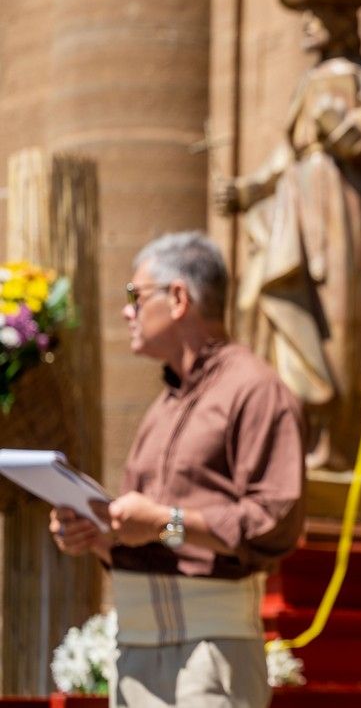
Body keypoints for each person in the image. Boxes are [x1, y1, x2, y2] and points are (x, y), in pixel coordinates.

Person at [49, 231, 305, 708]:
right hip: (135, 654)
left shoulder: (257, 392)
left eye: (135, 296)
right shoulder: (162, 408)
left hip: (210, 653)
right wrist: (98, 534)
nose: (127, 311)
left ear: (179, 298)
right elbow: (147, 532)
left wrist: (167, 522)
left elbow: (275, 521)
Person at [214, 0, 361, 482]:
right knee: (289, 313)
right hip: (296, 214)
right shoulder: (308, 82)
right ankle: (300, 439)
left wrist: (342, 130)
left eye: (317, 15)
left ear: (342, 22)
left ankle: (341, 443)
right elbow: (287, 154)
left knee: (340, 322)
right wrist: (248, 190)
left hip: (343, 215)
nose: (306, 25)